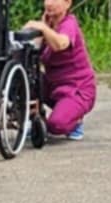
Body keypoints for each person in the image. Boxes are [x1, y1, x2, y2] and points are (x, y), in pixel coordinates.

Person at [22, 0, 97, 139]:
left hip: (77, 88)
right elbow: (34, 51)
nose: (49, 3)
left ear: (67, 3)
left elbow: (61, 44)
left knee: (56, 125)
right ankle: (34, 118)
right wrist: (37, 29)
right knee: (25, 79)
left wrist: (44, 29)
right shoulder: (49, 25)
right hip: (53, 85)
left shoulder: (69, 23)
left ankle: (75, 121)